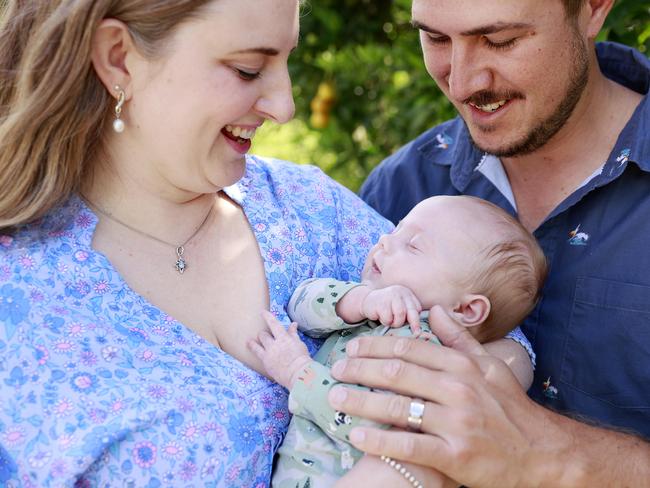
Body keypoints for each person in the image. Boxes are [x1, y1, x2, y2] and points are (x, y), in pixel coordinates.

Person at [0, 1, 536, 486]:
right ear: (119, 58)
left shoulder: (309, 211)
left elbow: (498, 334)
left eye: (286, 63)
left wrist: (403, 464)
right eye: (247, 69)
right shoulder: (18, 297)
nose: (284, 105)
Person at [330, 0, 650, 486]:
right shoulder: (401, 190)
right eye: (436, 39)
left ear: (592, 9)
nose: (461, 84)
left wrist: (552, 456)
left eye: (500, 40)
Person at [249, 195, 547, 488]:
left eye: (413, 245)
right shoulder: (372, 302)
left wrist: (296, 371)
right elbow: (300, 305)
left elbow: (368, 422)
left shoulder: (429, 361)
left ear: (465, 310)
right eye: (397, 229)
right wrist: (359, 301)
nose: (385, 241)